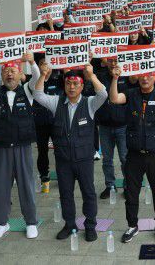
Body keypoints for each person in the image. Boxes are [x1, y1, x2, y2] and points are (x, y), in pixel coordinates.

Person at [33, 64, 108, 242]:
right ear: (64, 85)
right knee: (65, 194)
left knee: (88, 193)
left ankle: (90, 225)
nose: (72, 87)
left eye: (75, 84)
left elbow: (103, 94)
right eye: (68, 84)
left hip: (84, 159)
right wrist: (43, 75)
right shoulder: (57, 103)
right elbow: (38, 95)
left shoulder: (89, 103)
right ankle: (69, 224)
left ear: (82, 86)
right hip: (63, 160)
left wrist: (91, 76)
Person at [0, 51, 39, 240]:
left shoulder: (28, 91)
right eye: (6, 71)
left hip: (23, 147)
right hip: (1, 148)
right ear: (1, 76)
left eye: (13, 71)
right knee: (0, 186)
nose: (9, 74)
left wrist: (32, 63)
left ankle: (31, 222)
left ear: (20, 75)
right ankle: (2, 223)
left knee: (26, 185)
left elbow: (36, 77)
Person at [109, 62, 155, 244]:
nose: (145, 78)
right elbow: (114, 98)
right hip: (134, 153)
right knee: (131, 192)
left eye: (149, 75)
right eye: (142, 75)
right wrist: (115, 78)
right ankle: (132, 225)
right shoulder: (131, 94)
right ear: (137, 76)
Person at [94, 57, 133, 201]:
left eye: (116, 61)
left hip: (123, 126)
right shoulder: (100, 76)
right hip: (105, 126)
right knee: (107, 160)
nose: (113, 64)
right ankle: (110, 185)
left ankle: (128, 185)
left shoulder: (127, 77)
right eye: (110, 61)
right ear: (106, 61)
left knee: (125, 158)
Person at [30, 54, 62, 193]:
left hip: (56, 122)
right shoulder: (34, 82)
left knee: (60, 149)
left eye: (47, 63)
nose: (45, 66)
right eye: (42, 63)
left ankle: (62, 173)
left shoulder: (59, 80)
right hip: (40, 123)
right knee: (42, 150)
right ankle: (44, 174)